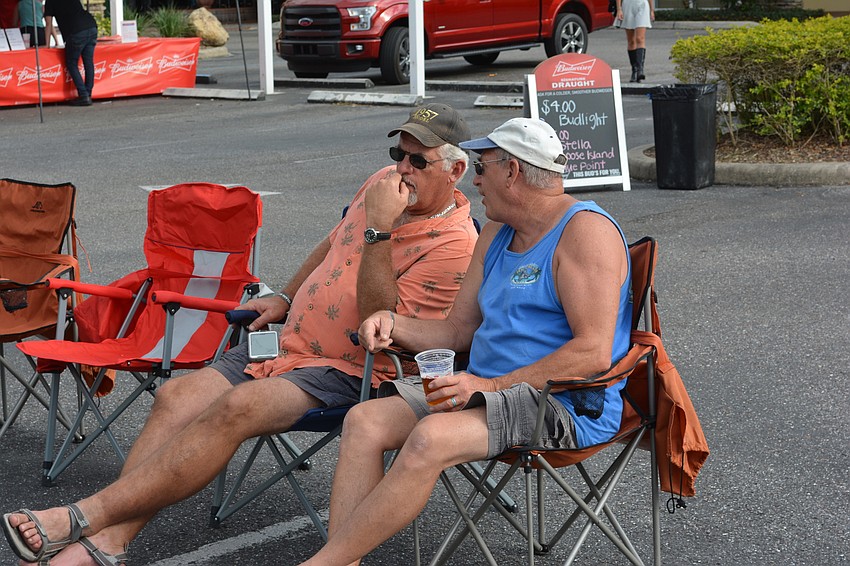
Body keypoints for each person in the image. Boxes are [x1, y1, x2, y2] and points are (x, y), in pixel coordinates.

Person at [1, 103, 478, 566]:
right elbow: (333, 242)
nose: (403, 169)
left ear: (455, 171)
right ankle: (109, 543)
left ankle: (80, 518)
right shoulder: (380, 184)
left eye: (419, 160)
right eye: (400, 155)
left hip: (354, 367)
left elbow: (382, 323)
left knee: (237, 406)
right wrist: (287, 297)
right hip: (290, 339)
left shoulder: (456, 243)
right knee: (177, 397)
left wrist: (380, 228)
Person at [301, 117, 633, 566]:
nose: (474, 179)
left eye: (482, 167)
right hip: (484, 386)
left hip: (563, 401)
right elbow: (458, 331)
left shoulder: (584, 232)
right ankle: (344, 561)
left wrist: (488, 388)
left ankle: (325, 563)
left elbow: (592, 352)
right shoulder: (498, 231)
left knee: (429, 438)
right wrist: (391, 322)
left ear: (512, 172)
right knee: (364, 422)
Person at [44, 0, 98, 106]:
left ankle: (83, 95)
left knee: (71, 63)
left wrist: (46, 44)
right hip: (91, 26)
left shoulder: (50, 1)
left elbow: (48, 24)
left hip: (76, 31)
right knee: (88, 62)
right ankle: (88, 93)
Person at [615, 0, 654, 83]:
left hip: (642, 4)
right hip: (628, 5)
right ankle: (634, 70)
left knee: (640, 38)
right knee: (631, 41)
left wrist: (651, 10)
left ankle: (640, 70)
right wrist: (619, 9)